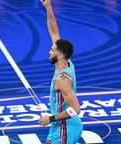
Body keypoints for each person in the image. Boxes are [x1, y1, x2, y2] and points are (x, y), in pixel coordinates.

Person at [39, 0, 83, 144]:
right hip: (63, 128)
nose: (49, 51)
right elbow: (54, 31)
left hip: (64, 129)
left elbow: (76, 109)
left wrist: (50, 119)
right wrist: (48, 7)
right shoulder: (67, 62)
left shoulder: (62, 80)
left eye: (52, 50)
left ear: (60, 55)